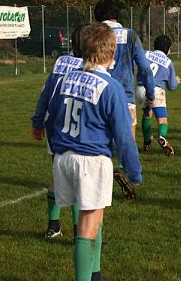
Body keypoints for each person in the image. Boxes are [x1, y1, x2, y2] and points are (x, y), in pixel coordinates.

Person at [44, 23, 142, 280]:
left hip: (64, 157)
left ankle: (95, 273)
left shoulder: (67, 78)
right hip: (91, 161)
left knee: (94, 219)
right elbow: (124, 137)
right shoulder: (111, 88)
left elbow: (51, 116)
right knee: (87, 227)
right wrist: (134, 172)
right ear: (112, 56)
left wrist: (57, 148)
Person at [31, 24, 86, 240]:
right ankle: (78, 232)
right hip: (76, 126)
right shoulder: (89, 65)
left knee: (57, 172)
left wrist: (37, 121)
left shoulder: (62, 61)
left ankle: (53, 226)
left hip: (54, 123)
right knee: (80, 179)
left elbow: (46, 93)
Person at [94, 0, 155, 139]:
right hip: (125, 97)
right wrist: (150, 93)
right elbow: (145, 68)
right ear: (117, 15)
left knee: (99, 148)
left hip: (97, 96)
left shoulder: (92, 34)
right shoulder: (130, 35)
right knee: (127, 147)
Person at [137, 35, 181, 156]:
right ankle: (161, 136)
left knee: (147, 114)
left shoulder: (145, 53)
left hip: (141, 89)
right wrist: (176, 81)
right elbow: (172, 87)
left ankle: (146, 141)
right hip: (156, 90)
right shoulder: (168, 62)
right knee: (162, 120)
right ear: (167, 49)